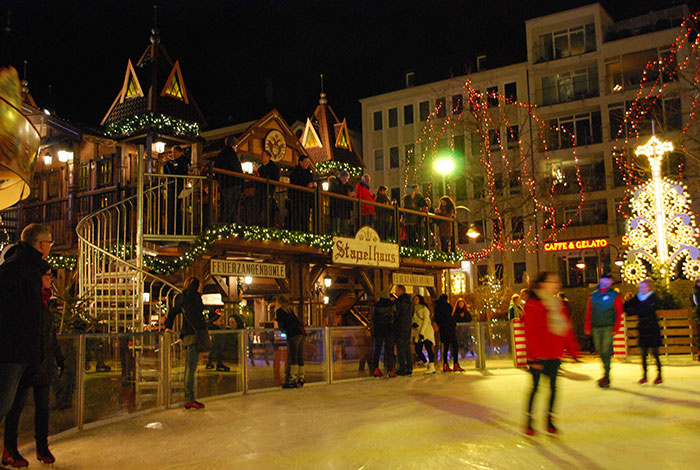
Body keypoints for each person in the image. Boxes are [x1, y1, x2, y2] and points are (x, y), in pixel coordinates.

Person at [0, 224, 53, 466]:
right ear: (41, 245)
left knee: (15, 403)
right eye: (49, 242)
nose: (51, 247)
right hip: (14, 349)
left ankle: (11, 450)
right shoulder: (19, 266)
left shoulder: (31, 267)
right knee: (3, 404)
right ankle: (9, 449)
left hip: (25, 351)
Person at [3, 262, 64, 466]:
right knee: (16, 407)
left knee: (43, 408)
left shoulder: (46, 303)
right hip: (27, 362)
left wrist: (59, 356)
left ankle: (42, 446)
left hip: (43, 362)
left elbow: (50, 334)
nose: (51, 279)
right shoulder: (28, 302)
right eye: (48, 275)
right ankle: (10, 448)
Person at [523, 272, 580, 435]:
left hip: (554, 354)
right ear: (542, 284)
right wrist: (533, 357)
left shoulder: (557, 304)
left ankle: (549, 420)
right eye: (552, 281)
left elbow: (566, 328)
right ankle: (529, 420)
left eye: (557, 281)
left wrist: (573, 350)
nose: (556, 284)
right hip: (538, 355)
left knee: (553, 389)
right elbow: (530, 332)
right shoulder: (533, 305)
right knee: (535, 389)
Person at [165, 277, 208, 409]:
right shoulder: (194, 297)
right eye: (198, 285)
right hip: (194, 335)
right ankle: (190, 398)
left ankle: (189, 397)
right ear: (195, 286)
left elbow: (172, 311)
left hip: (187, 335)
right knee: (191, 367)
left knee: (189, 367)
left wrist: (168, 326)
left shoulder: (182, 298)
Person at [584, 272, 623, 388]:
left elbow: (619, 312)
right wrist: (587, 326)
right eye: (605, 280)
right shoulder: (593, 295)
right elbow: (589, 311)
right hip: (596, 326)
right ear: (601, 281)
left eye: (609, 280)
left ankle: (606, 374)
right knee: (600, 350)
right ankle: (605, 372)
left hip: (608, 326)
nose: (607, 282)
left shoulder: (615, 295)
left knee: (605, 350)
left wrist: (616, 327)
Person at [624, 280, 663, 385]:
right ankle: (644, 375)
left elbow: (647, 310)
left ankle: (659, 375)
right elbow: (627, 305)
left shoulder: (653, 297)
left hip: (652, 328)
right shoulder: (638, 297)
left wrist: (634, 311)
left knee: (655, 353)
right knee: (643, 353)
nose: (642, 289)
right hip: (642, 328)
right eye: (641, 287)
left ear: (650, 287)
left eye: (644, 287)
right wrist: (630, 310)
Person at [275, 295, 306, 388]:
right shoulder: (290, 310)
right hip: (301, 333)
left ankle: (292, 378)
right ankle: (301, 376)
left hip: (293, 334)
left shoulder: (279, 311)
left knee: (293, 356)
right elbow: (298, 322)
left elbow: (282, 325)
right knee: (299, 356)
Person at [213, 136, 244, 223]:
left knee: (225, 206)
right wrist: (242, 183)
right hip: (233, 184)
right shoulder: (232, 155)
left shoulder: (221, 155)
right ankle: (230, 226)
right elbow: (237, 169)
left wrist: (220, 181)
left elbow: (216, 169)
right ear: (234, 145)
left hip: (224, 184)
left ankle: (224, 225)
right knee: (232, 207)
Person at [163, 145, 191, 234]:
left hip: (177, 187)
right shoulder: (175, 162)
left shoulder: (182, 162)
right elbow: (167, 173)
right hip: (174, 186)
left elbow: (174, 173)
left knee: (175, 209)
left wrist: (168, 164)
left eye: (175, 152)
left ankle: (176, 230)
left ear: (180, 152)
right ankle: (173, 229)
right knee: (173, 209)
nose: (173, 154)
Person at [434, 294, 463, 372]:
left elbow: (437, 319)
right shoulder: (447, 306)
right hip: (449, 329)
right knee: (455, 346)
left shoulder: (437, 308)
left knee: (446, 347)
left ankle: (445, 364)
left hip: (443, 330)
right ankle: (455, 364)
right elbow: (450, 316)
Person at [287, 154, 316, 232]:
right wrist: (307, 185)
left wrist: (313, 185)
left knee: (305, 218)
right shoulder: (295, 172)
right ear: (300, 162)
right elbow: (295, 183)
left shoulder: (309, 173)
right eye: (305, 162)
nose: (307, 164)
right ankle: (296, 233)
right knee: (296, 217)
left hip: (306, 199)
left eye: (308, 162)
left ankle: (305, 233)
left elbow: (311, 183)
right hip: (297, 198)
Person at [371, 291, 396, 378]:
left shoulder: (376, 305)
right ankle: (390, 370)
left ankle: (375, 369)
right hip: (389, 329)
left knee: (377, 350)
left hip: (379, 329)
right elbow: (395, 316)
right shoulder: (392, 305)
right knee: (389, 350)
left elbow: (373, 318)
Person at [412, 294, 436, 374]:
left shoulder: (424, 309)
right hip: (418, 331)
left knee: (428, 348)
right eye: (414, 299)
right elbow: (413, 318)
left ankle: (432, 366)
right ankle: (427, 364)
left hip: (426, 331)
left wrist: (422, 332)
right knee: (418, 349)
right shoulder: (414, 309)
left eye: (416, 299)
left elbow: (426, 321)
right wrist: (413, 323)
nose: (415, 301)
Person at [256, 149, 280, 227]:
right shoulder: (260, 168)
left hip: (268, 192)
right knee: (261, 211)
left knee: (268, 212)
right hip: (260, 192)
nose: (261, 157)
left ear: (268, 157)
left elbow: (274, 180)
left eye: (263, 156)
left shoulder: (273, 168)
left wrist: (271, 192)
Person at [393, 285, 414, 376]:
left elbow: (396, 314)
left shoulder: (398, 301)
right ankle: (409, 367)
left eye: (396, 290)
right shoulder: (410, 301)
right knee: (407, 347)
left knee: (400, 348)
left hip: (400, 327)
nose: (395, 292)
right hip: (407, 327)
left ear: (399, 290)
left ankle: (402, 368)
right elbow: (411, 313)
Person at [328, 170, 353, 235]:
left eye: (347, 179)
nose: (346, 180)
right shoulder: (335, 182)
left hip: (344, 209)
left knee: (344, 227)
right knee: (336, 225)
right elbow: (335, 191)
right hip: (336, 207)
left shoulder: (346, 186)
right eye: (345, 179)